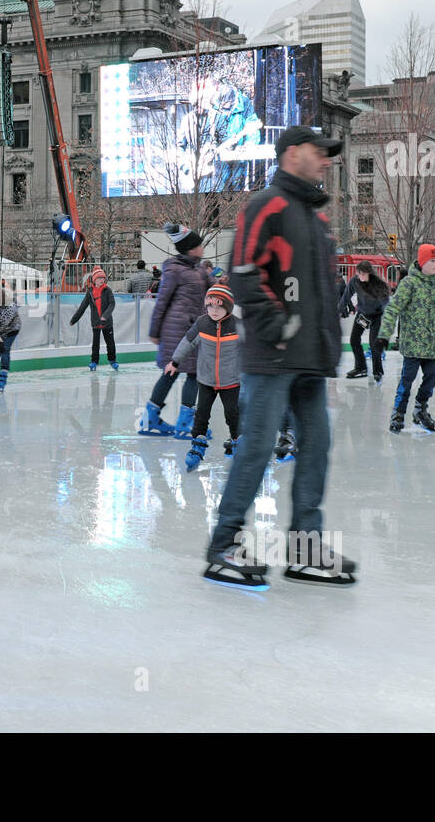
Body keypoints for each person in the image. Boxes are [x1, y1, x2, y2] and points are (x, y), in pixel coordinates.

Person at [203, 126, 352, 589]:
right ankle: (223, 545)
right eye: (318, 152)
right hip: (272, 358)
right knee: (258, 448)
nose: (326, 160)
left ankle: (305, 548)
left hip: (310, 360)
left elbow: (324, 292)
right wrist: (278, 327)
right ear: (291, 155)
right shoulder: (264, 205)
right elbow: (244, 272)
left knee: (318, 446)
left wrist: (328, 346)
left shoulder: (316, 218)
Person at [138, 223, 210, 438]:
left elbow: (213, 285)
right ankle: (184, 424)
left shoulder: (197, 270)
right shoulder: (174, 269)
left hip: (190, 330)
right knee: (192, 373)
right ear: (190, 248)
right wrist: (154, 331)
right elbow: (162, 301)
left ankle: (152, 419)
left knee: (175, 373)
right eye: (198, 245)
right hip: (178, 331)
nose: (202, 248)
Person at [376, 244, 435, 433]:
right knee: (407, 380)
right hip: (412, 344)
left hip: (433, 344)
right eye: (432, 261)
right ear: (421, 262)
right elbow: (394, 309)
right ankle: (398, 413)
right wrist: (384, 334)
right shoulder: (409, 283)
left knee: (431, 379)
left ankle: (420, 410)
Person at [167, 284, 240, 471]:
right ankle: (197, 445)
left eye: (219, 306)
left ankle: (238, 440)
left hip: (231, 381)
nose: (213, 311)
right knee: (201, 415)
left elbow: (252, 347)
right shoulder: (202, 323)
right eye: (210, 306)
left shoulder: (237, 326)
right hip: (206, 380)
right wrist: (175, 362)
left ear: (228, 308)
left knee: (233, 413)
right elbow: (187, 342)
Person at [339, 260, 392, 382]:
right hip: (362, 315)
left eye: (363, 274)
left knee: (374, 345)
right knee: (354, 340)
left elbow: (386, 303)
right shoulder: (355, 281)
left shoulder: (378, 285)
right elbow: (346, 296)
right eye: (359, 273)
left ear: (369, 273)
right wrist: (339, 310)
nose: (360, 276)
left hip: (376, 316)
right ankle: (361, 368)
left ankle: (377, 371)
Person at [69, 265, 118, 371]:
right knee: (95, 344)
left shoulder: (107, 290)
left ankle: (113, 360)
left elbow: (112, 304)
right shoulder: (90, 292)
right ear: (94, 280)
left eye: (103, 278)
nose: (102, 280)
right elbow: (83, 306)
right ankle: (94, 362)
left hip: (107, 322)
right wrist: (74, 319)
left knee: (110, 342)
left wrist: (106, 315)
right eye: (100, 278)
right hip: (96, 322)